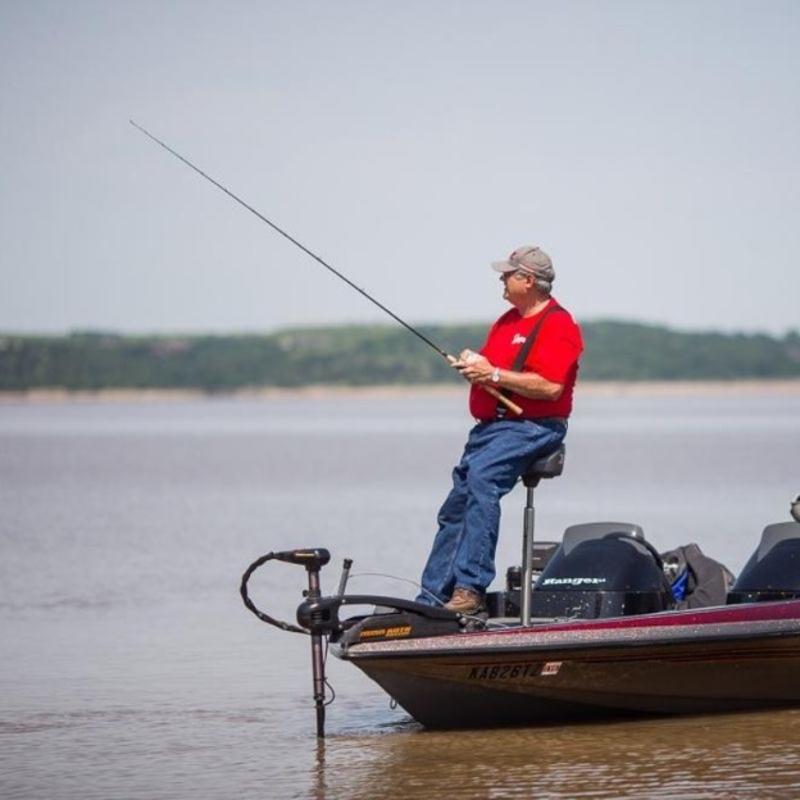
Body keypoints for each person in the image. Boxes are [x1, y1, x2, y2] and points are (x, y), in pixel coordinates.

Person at [416, 245, 584, 614]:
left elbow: (550, 386)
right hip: (492, 430)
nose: (502, 280)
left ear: (528, 279)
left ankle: (469, 590)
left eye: (508, 274)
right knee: (455, 505)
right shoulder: (507, 321)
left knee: (481, 481)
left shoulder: (558, 324)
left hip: (533, 427)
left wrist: (491, 373)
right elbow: (497, 372)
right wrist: (477, 367)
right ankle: (432, 597)